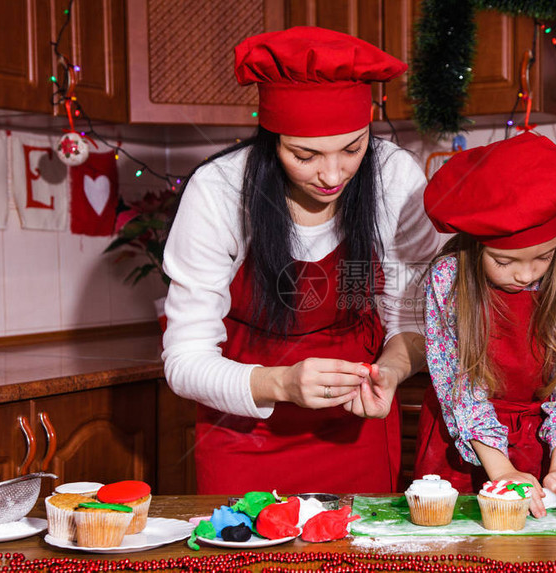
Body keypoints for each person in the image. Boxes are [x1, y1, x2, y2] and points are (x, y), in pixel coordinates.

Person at [161, 26, 441, 495]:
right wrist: (284, 384)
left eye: (353, 148)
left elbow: (414, 321)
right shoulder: (220, 192)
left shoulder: (395, 178)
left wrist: (390, 372)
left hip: (356, 436)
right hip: (244, 437)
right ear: (272, 141)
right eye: (305, 154)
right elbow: (184, 361)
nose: (333, 175)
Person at [414, 132, 556, 517]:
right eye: (504, 261)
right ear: (475, 247)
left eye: (543, 257)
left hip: (538, 442)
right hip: (463, 446)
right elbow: (458, 386)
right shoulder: (448, 279)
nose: (525, 275)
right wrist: (503, 471)